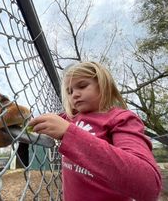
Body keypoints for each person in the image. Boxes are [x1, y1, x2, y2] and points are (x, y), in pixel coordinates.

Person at [28, 62, 162, 201]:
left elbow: (149, 185)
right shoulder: (70, 118)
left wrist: (69, 134)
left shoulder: (121, 119)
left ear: (103, 84)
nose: (74, 94)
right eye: (69, 91)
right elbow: (34, 120)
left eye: (82, 86)